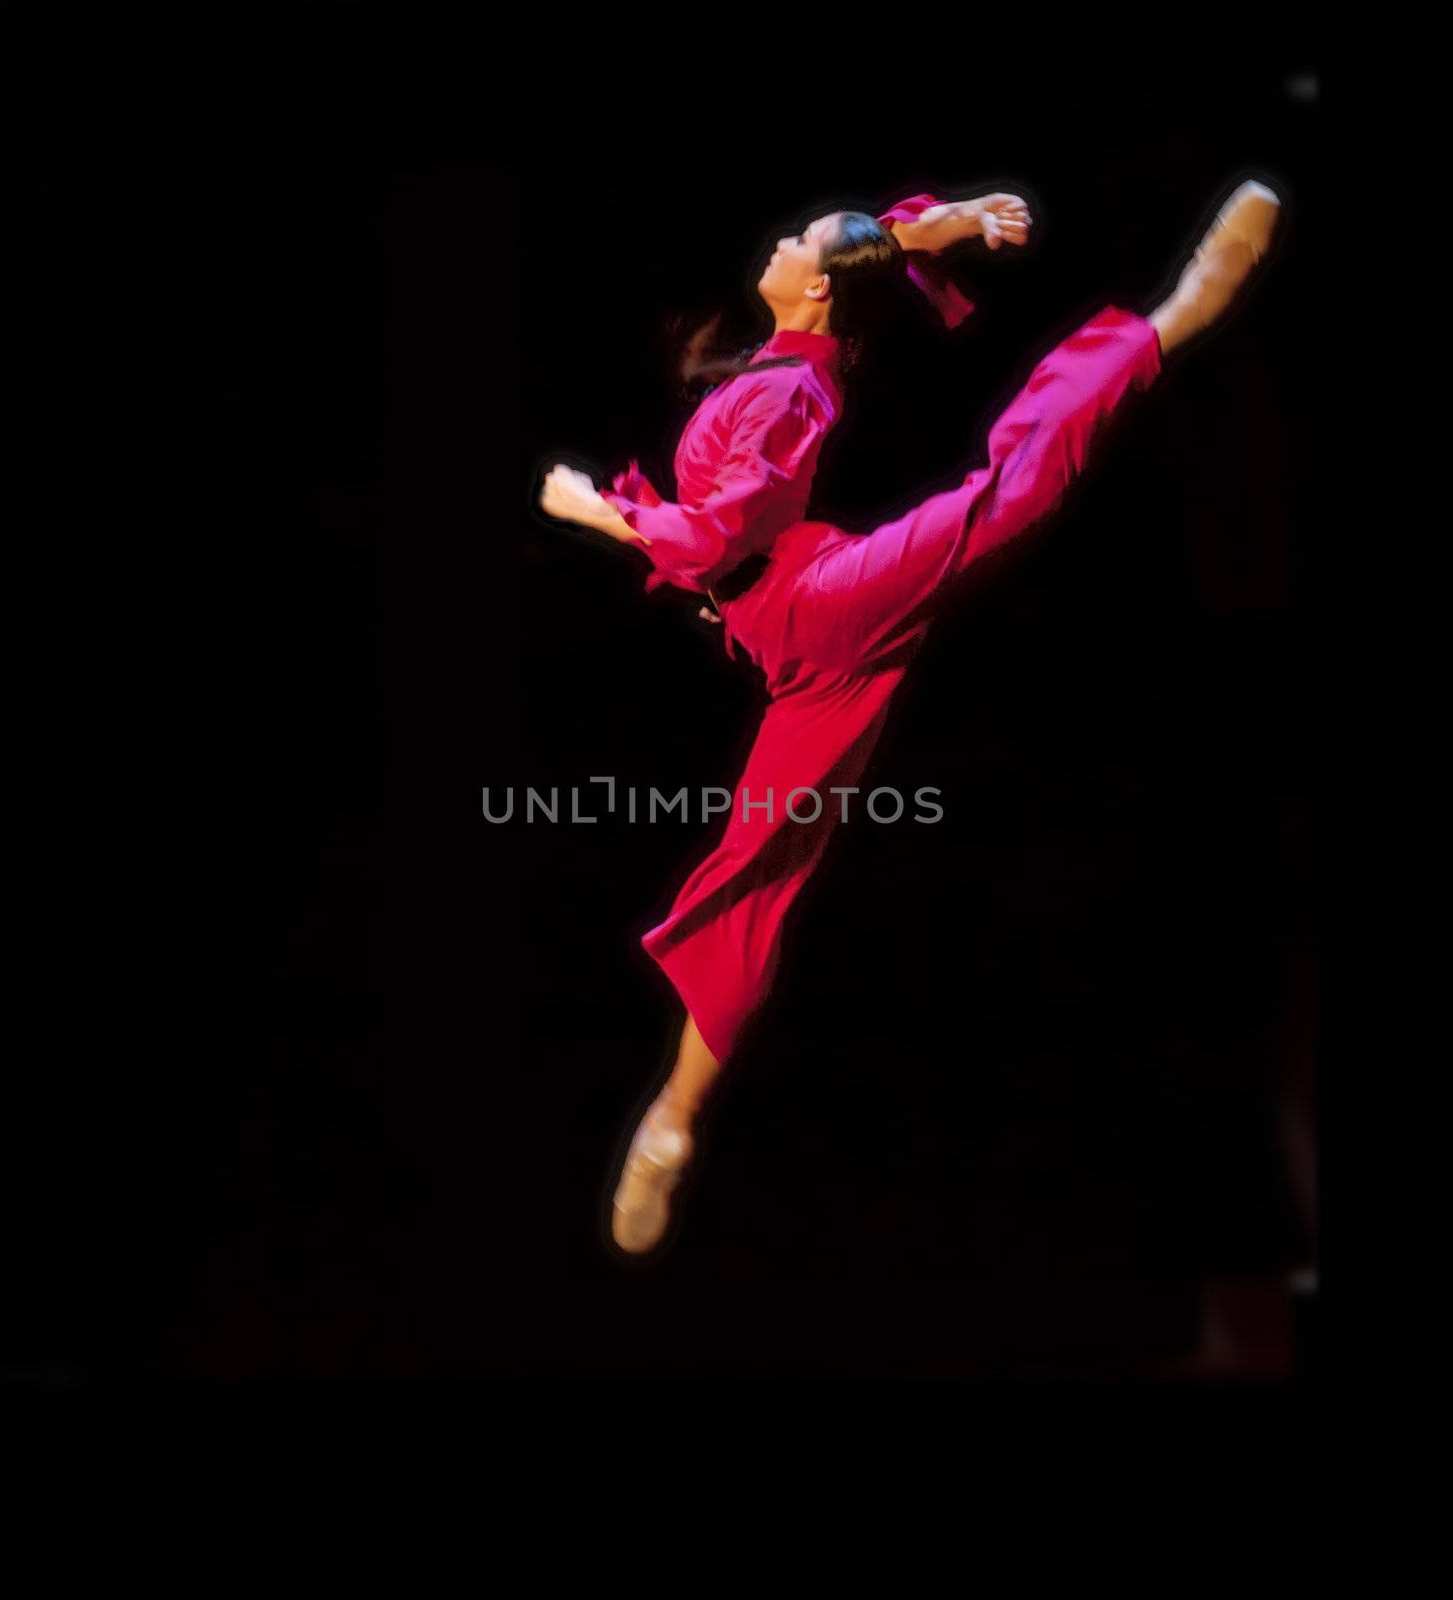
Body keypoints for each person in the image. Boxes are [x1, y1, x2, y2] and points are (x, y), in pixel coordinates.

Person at [539, 179, 1282, 1255]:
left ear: (819, 290)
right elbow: (869, 247)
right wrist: (960, 220)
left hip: (821, 601)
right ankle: (671, 1121)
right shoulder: (795, 344)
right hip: (788, 644)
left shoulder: (795, 394)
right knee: (756, 865)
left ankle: (1175, 316)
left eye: (799, 240)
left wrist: (593, 509)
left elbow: (706, 539)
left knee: (1001, 495)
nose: (781, 237)